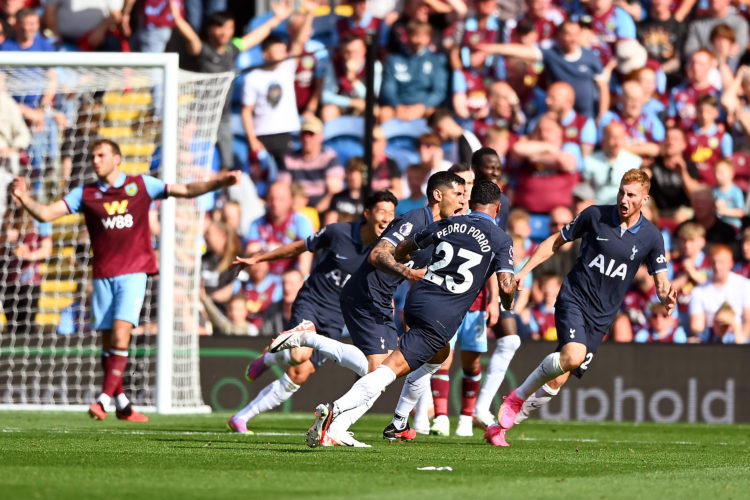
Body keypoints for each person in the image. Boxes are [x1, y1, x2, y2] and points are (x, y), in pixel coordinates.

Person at [9, 138, 240, 422]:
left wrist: (219, 183)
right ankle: (123, 404)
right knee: (108, 343)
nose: (96, 160)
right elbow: (46, 213)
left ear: (117, 158)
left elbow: (186, 189)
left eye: (102, 155)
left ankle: (103, 399)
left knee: (121, 333)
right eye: (93, 156)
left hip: (134, 272)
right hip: (103, 275)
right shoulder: (86, 193)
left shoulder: (140, 185)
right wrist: (23, 198)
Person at [305, 180, 516, 449]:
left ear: (471, 202)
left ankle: (399, 422)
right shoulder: (500, 239)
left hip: (416, 303)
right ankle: (334, 409)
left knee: (437, 357)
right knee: (389, 369)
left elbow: (405, 248)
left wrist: (407, 264)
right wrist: (510, 296)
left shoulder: (448, 223)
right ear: (498, 207)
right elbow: (506, 287)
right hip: (442, 316)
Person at [271, 171, 466, 446]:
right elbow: (377, 254)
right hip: (365, 296)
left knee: (380, 374)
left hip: (381, 300)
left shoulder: (437, 228)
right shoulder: (415, 219)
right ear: (438, 194)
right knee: (380, 373)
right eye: (458, 194)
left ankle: (335, 425)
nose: (462, 200)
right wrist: (407, 274)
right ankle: (310, 346)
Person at [487, 169, 677, 447]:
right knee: (573, 355)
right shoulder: (595, 215)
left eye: (631, 195)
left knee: (558, 379)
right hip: (574, 298)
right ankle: (515, 398)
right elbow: (555, 241)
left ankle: (500, 427)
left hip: (602, 317)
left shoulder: (651, 236)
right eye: (621, 192)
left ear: (645, 199)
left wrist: (665, 296)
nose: (624, 198)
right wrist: (524, 270)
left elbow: (660, 280)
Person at [225, 191, 398, 437]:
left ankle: (241, 416)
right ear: (368, 213)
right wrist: (258, 258)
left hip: (338, 317)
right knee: (299, 355)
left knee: (300, 372)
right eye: (382, 212)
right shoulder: (339, 232)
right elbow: (299, 247)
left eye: (391, 214)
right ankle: (271, 357)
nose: (387, 218)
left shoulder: (386, 249)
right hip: (312, 303)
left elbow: (384, 285)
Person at [278, 116, 344, 214]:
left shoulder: (329, 157)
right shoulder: (289, 159)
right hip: (295, 210)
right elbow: (282, 189)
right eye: (304, 134)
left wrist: (315, 212)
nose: (307, 138)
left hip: (322, 212)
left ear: (321, 136)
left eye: (311, 134)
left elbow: (334, 191)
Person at [689, 243, 750, 343]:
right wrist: (717, 325)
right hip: (711, 340)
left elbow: (748, 321)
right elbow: (697, 327)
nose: (717, 266)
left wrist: (738, 337)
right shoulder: (698, 291)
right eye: (714, 262)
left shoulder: (745, 285)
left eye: (721, 262)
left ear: (731, 263)